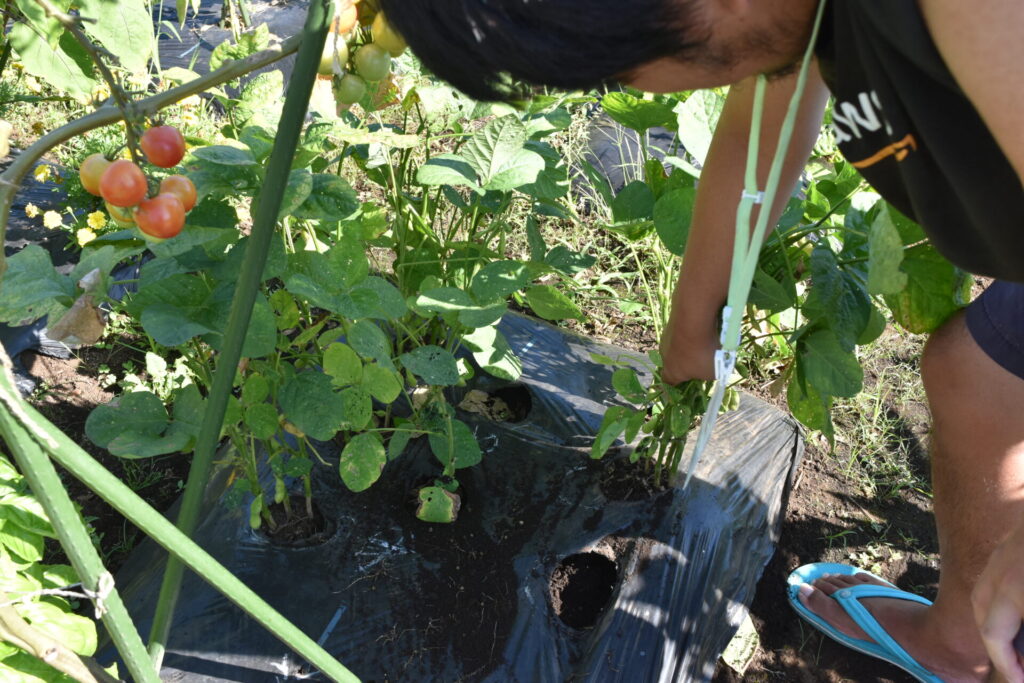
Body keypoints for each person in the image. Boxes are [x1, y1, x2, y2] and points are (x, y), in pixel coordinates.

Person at [379, 0, 1024, 680]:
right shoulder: (799, 23)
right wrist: (691, 321)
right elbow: (760, 128)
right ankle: (957, 641)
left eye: (616, 70)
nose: (631, 88)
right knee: (974, 371)